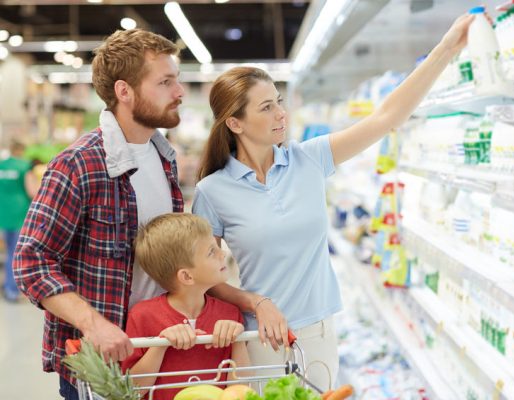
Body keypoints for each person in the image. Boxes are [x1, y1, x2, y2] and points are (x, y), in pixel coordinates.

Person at [192, 13, 476, 391]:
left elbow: (387, 117)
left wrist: (447, 48)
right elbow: (203, 280)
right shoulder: (212, 191)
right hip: (257, 340)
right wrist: (255, 302)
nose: (281, 114)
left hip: (318, 335)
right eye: (266, 108)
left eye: (278, 101)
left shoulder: (309, 159)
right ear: (235, 124)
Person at [13, 28, 185, 400]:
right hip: (102, 367)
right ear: (125, 91)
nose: (179, 92)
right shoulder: (78, 164)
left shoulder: (164, 158)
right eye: (166, 82)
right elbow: (31, 261)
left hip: (156, 354)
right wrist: (94, 324)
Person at [122, 213, 250, 400]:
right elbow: (130, 391)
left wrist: (238, 340)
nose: (222, 254)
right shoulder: (142, 316)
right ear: (187, 277)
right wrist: (160, 345)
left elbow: (240, 389)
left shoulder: (229, 314)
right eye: (211, 252)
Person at [0, 139, 35, 302]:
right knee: (15, 253)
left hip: (3, 215)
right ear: (21, 150)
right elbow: (32, 191)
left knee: (7, 252)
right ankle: (11, 290)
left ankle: (7, 285)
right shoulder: (24, 166)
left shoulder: (2, 165)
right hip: (19, 215)